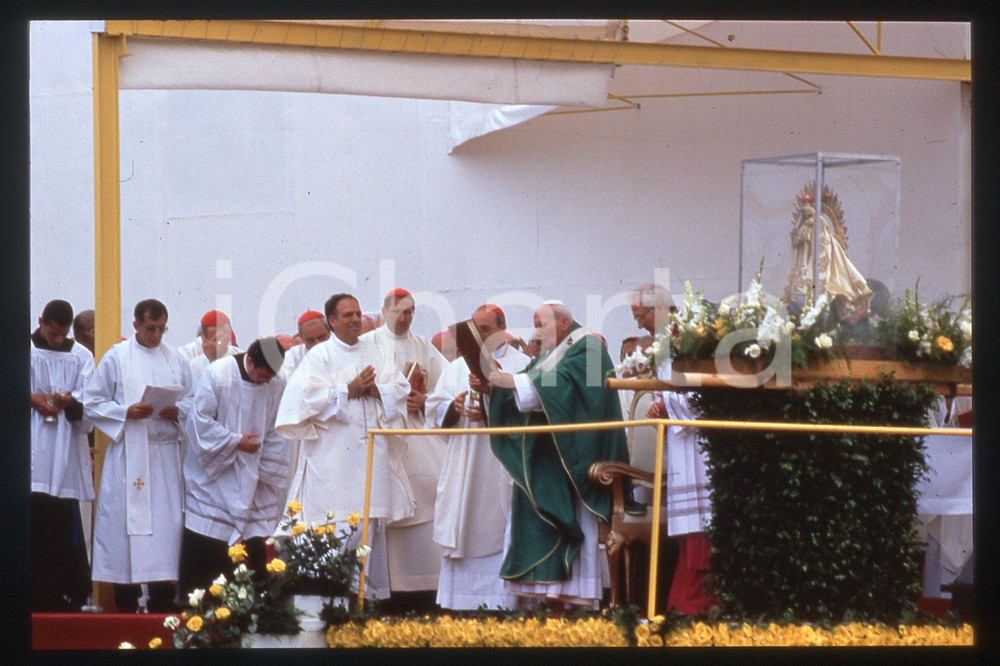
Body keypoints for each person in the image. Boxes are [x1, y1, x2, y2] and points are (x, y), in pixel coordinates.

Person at [482, 300, 633, 610]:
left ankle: (577, 601)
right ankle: (550, 599)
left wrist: (516, 382)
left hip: (576, 456)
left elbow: (574, 389)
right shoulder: (550, 353)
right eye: (535, 324)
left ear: (564, 324)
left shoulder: (589, 347)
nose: (536, 331)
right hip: (549, 455)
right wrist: (496, 389)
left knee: (572, 522)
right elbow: (529, 388)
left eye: (542, 324)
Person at [275, 293, 414, 598]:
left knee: (368, 531)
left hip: (370, 459)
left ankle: (366, 605)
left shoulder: (375, 352)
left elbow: (401, 387)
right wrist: (346, 390)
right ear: (332, 322)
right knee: (335, 532)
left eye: (357, 314)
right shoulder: (320, 356)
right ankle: (329, 602)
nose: (354, 320)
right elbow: (301, 402)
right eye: (347, 315)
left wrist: (377, 390)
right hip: (334, 464)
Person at [83, 298, 194, 612]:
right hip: (129, 454)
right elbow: (92, 401)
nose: (156, 335)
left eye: (161, 328)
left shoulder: (176, 359)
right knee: (123, 530)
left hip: (164, 456)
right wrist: (125, 412)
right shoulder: (118, 357)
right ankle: (127, 602)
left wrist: (179, 410)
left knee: (164, 531)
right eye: (150, 328)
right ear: (135, 325)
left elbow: (193, 399)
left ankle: (162, 602)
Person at [425, 304, 531, 610]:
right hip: (465, 461)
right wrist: (454, 407)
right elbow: (434, 406)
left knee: (501, 530)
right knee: (465, 528)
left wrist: (489, 404)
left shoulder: (522, 365)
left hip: (500, 462)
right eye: (476, 329)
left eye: (485, 329)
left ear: (502, 328)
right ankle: (461, 607)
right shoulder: (458, 367)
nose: (480, 335)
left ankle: (504, 606)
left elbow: (529, 410)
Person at [179, 337, 289, 595]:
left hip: (255, 469)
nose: (266, 382)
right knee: (209, 535)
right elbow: (200, 421)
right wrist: (234, 442)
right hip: (215, 470)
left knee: (254, 537)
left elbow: (277, 427)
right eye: (263, 376)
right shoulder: (218, 374)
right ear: (249, 361)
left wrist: (264, 468)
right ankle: (202, 599)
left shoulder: (278, 380)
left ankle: (257, 599)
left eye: (270, 377)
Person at [632, 283, 715, 615]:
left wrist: (666, 404)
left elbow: (708, 392)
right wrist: (659, 405)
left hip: (700, 447)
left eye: (641, 316)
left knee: (703, 529)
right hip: (682, 445)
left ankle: (698, 602)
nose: (639, 325)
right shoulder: (665, 343)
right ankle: (683, 602)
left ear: (658, 310)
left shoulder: (693, 337)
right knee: (689, 531)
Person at [364, 288, 448, 598]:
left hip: (417, 430)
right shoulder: (369, 344)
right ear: (385, 312)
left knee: (434, 488)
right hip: (385, 431)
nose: (404, 318)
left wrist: (424, 400)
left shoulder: (424, 346)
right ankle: (390, 587)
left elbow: (445, 386)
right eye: (398, 312)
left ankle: (423, 585)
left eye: (410, 312)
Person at [31, 299, 95, 612]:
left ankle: (68, 594)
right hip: (32, 446)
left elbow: (89, 401)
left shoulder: (81, 356)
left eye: (62, 335)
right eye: (52, 333)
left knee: (62, 522)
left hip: (65, 447)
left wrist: (69, 401)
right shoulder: (23, 350)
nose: (57, 340)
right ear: (41, 321)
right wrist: (31, 398)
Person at [186, 310, 243, 383]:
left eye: (225, 337)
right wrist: (210, 357)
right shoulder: (187, 354)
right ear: (204, 338)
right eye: (216, 338)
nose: (222, 342)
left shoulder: (240, 355)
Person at [281, 310, 331, 378]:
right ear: (301, 338)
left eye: (321, 337)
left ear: (329, 331)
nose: (317, 344)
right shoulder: (294, 356)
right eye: (310, 340)